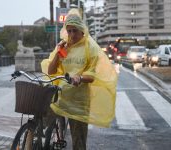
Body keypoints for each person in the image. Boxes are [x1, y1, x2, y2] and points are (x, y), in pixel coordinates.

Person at [41, 8, 117, 150]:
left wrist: (80, 78)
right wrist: (58, 54)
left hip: (79, 100)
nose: (71, 34)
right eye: (69, 31)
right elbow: (51, 71)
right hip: (61, 95)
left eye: (75, 31)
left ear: (82, 30)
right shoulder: (64, 47)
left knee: (79, 141)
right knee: (44, 122)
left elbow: (92, 75)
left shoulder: (90, 48)